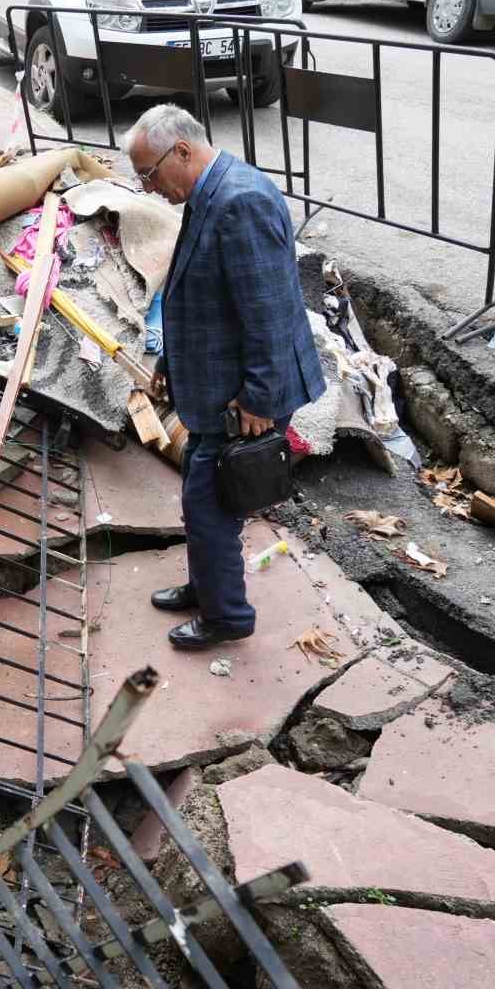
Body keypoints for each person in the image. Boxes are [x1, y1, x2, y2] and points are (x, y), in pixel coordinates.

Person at [125, 104, 325, 650]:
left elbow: (270, 311)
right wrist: (170, 361)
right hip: (218, 378)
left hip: (244, 390)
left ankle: (226, 616)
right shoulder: (208, 192)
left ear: (182, 151)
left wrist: (259, 397)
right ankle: (207, 586)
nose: (147, 188)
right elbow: (192, 284)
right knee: (203, 490)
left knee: (207, 501)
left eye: (148, 173)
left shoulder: (240, 202)